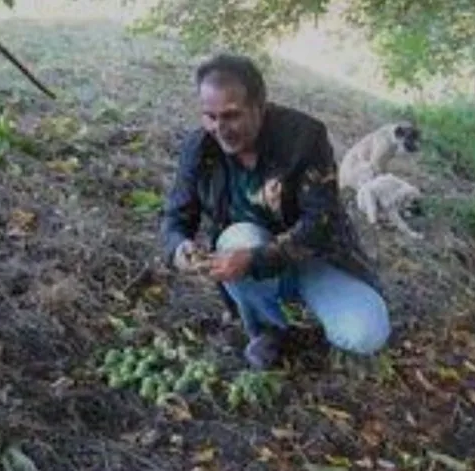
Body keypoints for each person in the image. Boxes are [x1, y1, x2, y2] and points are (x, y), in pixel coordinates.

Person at [160, 53, 390, 369]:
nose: (220, 128)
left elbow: (318, 224)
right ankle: (269, 328)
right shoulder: (199, 148)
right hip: (249, 257)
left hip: (314, 258)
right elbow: (176, 217)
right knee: (236, 237)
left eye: (231, 115)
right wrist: (179, 247)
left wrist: (254, 259)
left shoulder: (304, 138)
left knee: (366, 334)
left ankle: (312, 302)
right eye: (210, 116)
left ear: (260, 106)